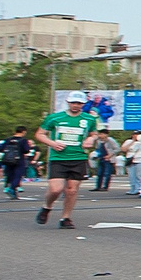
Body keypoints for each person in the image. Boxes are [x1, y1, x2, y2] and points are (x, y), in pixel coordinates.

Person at [33, 92, 95, 228]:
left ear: (83, 104)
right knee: (56, 189)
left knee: (71, 190)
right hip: (58, 158)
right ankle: (47, 207)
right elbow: (40, 134)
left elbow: (94, 133)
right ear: (68, 102)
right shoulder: (55, 118)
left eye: (79, 103)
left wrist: (91, 139)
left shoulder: (89, 119)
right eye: (73, 103)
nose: (75, 105)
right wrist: (52, 143)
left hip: (78, 157)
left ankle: (65, 218)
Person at [0, 126, 33, 200]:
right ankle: (12, 188)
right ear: (23, 132)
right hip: (19, 160)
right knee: (18, 176)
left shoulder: (8, 139)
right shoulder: (23, 140)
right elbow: (26, 150)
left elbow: (1, 149)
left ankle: (9, 188)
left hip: (8, 160)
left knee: (10, 175)